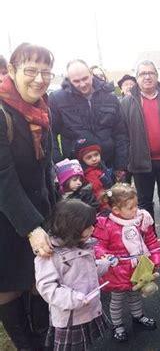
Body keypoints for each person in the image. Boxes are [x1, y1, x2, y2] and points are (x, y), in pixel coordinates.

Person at [0, 43, 56, 349]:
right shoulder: (2, 111)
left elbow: (46, 166)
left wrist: (54, 211)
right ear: (11, 70)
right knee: (9, 286)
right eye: (30, 71)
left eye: (45, 72)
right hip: (6, 216)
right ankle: (26, 345)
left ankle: (43, 338)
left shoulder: (43, 109)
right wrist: (31, 228)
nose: (39, 79)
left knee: (39, 278)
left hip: (38, 210)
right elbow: (2, 179)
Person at [121, 60, 160, 250]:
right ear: (137, 78)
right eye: (142, 74)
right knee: (144, 202)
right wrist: (127, 158)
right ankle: (148, 237)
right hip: (140, 161)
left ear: (157, 76)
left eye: (151, 73)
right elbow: (122, 133)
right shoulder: (126, 102)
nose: (147, 77)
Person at [35, 199, 112, 350]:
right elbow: (47, 288)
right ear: (73, 227)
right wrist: (73, 298)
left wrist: (104, 264)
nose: (93, 229)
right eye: (88, 226)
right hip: (71, 317)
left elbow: (87, 272)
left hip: (88, 308)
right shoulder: (50, 255)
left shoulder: (83, 245)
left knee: (85, 344)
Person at [93, 183, 160, 343]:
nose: (135, 210)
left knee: (135, 295)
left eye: (136, 205)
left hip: (137, 269)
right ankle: (117, 325)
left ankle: (138, 316)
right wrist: (106, 257)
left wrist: (156, 260)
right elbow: (98, 245)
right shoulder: (106, 225)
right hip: (117, 271)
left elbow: (152, 240)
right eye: (131, 207)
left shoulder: (140, 220)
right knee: (117, 300)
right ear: (116, 210)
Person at [49, 59, 128, 181]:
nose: (82, 84)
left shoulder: (110, 98)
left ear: (91, 74)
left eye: (85, 78)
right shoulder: (57, 99)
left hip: (108, 164)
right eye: (76, 81)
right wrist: (60, 166)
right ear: (68, 79)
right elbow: (51, 134)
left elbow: (120, 133)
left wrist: (121, 165)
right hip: (76, 169)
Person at [74, 136, 114, 210]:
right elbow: (98, 192)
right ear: (82, 160)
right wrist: (106, 207)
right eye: (89, 157)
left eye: (96, 154)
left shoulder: (101, 166)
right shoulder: (90, 173)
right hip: (102, 204)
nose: (94, 159)